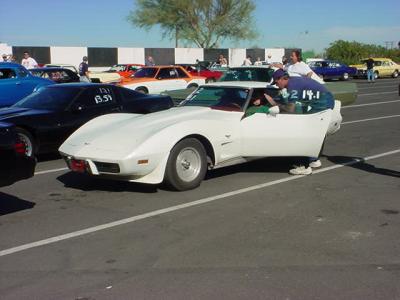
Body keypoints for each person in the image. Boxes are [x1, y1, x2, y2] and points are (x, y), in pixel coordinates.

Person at [265, 69, 335, 175]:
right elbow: (290, 101)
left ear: (283, 79)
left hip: (322, 101)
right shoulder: (293, 82)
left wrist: (274, 104)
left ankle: (303, 166)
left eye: (276, 82)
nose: (276, 85)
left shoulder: (293, 85)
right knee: (315, 132)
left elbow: (290, 109)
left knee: (304, 131)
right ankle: (313, 160)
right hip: (323, 98)